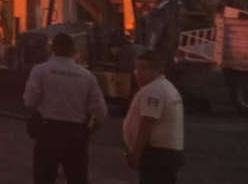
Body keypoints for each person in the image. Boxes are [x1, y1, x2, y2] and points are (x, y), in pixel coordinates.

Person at [23, 32, 108, 184]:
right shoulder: (87, 76)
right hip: (76, 134)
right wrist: (89, 131)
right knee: (77, 178)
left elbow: (29, 101)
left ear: (52, 49)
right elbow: (101, 113)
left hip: (48, 131)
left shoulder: (40, 70)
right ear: (73, 51)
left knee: (44, 178)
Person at [123, 50, 185, 183]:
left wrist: (136, 151)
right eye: (137, 68)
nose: (138, 72)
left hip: (157, 154)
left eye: (144, 68)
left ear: (158, 70)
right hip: (166, 153)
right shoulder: (165, 87)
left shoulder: (153, 90)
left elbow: (147, 122)